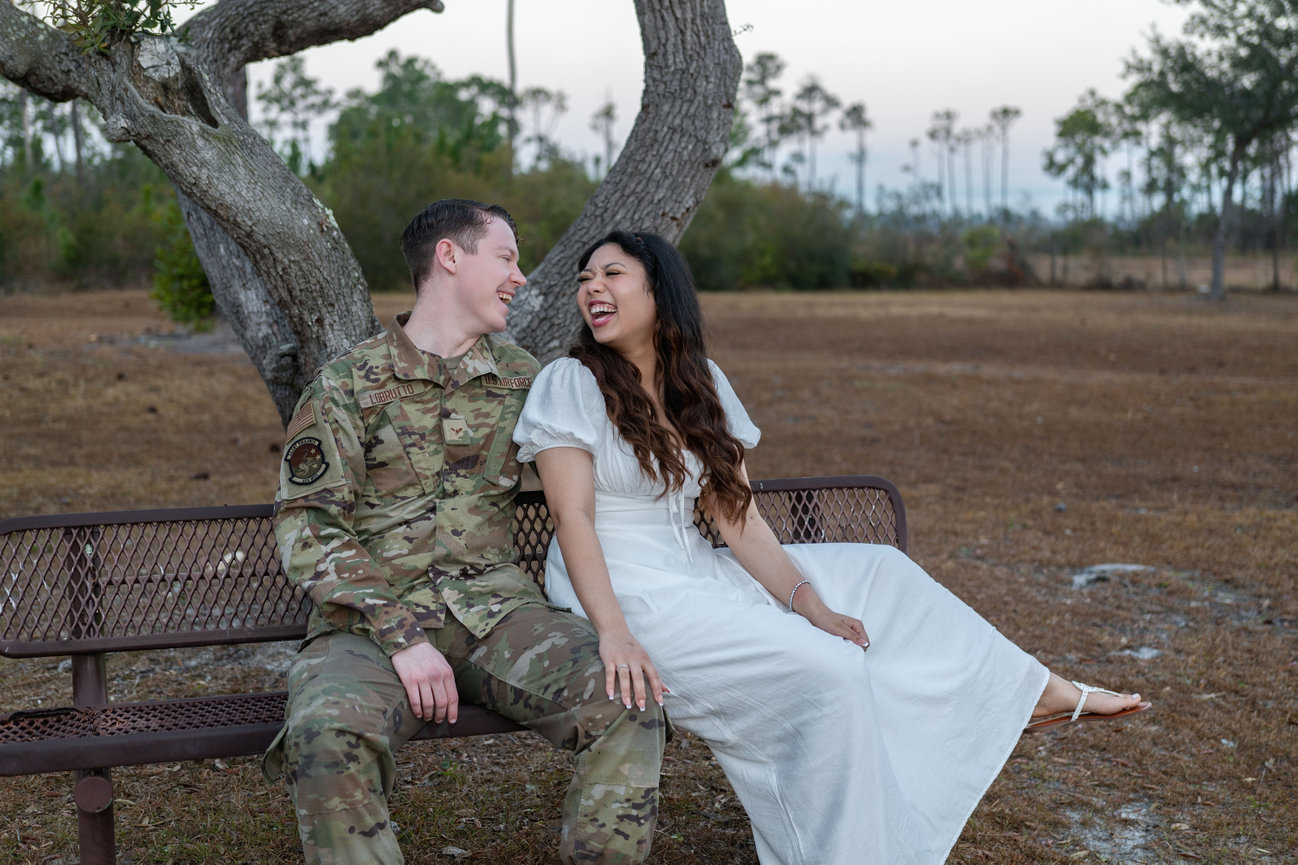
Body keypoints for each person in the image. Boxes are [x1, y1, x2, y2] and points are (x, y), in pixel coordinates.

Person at [512, 230, 1151, 865]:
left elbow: (737, 517)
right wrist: (615, 632)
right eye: (583, 279)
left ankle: (1027, 693)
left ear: (660, 291)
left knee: (880, 571)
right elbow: (572, 516)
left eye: (611, 275)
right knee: (832, 669)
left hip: (694, 570)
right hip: (624, 589)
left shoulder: (697, 381)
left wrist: (808, 603)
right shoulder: (571, 381)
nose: (591, 289)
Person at [262, 203, 667, 865]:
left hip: (499, 616)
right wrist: (401, 635)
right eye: (506, 257)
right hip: (368, 626)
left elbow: (609, 472)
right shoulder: (347, 385)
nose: (521, 276)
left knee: (627, 698)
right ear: (450, 257)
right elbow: (309, 525)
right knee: (325, 732)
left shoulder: (524, 381)